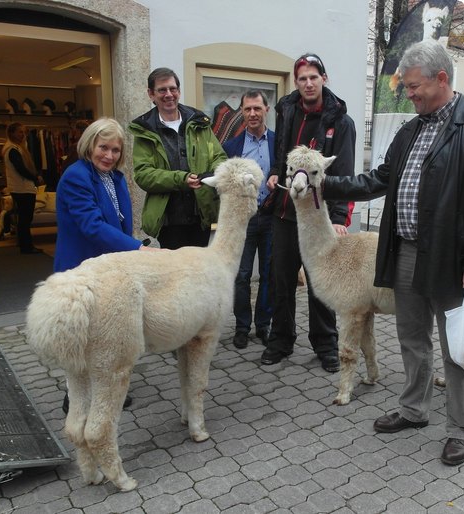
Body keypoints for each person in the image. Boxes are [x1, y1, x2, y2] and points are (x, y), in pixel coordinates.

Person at [322, 40, 464, 465]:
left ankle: (460, 428)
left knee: (456, 347)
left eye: (414, 87)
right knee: (411, 337)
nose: (409, 94)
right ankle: (413, 409)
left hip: (452, 257)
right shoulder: (410, 130)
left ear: (441, 78)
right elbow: (378, 179)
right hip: (405, 250)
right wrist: (324, 183)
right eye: (406, 88)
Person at [260, 53, 356, 373]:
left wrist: (340, 218)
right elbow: (280, 155)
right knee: (281, 280)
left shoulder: (341, 122)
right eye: (302, 78)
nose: (308, 83)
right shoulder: (286, 110)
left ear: (324, 79)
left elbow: (343, 173)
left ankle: (326, 343)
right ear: (296, 82)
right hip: (286, 213)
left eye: (314, 77)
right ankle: (281, 340)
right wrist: (275, 172)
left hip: (320, 218)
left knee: (320, 282)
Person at [55, 117, 158, 413]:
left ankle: (107, 388)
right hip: (81, 269)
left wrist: (130, 250)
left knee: (107, 333)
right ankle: (73, 397)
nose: (109, 155)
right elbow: (92, 225)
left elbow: (121, 223)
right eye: (103, 148)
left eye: (115, 150)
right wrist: (137, 249)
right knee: (82, 336)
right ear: (90, 145)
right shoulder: (76, 176)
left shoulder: (115, 178)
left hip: (109, 268)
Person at [129, 67, 227, 249]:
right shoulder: (145, 130)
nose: (169, 94)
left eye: (173, 89)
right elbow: (143, 174)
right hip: (170, 223)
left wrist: (210, 174)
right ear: (151, 94)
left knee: (201, 272)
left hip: (204, 217)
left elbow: (219, 156)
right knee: (176, 275)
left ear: (179, 91)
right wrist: (181, 179)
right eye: (162, 90)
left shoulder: (199, 123)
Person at [222, 90, 275, 349]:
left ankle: (263, 324)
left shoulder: (278, 142)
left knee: (268, 273)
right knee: (241, 275)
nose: (252, 114)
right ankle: (242, 326)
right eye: (247, 109)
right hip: (242, 220)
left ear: (266, 109)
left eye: (257, 108)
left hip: (271, 217)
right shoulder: (231, 147)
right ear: (241, 112)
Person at [2, 122, 43, 254]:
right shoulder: (13, 149)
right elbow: (21, 169)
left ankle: (24, 244)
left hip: (20, 187)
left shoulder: (15, 148)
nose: (23, 135)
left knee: (23, 218)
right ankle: (27, 246)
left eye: (23, 132)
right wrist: (35, 177)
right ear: (12, 133)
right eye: (20, 132)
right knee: (26, 218)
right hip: (22, 187)